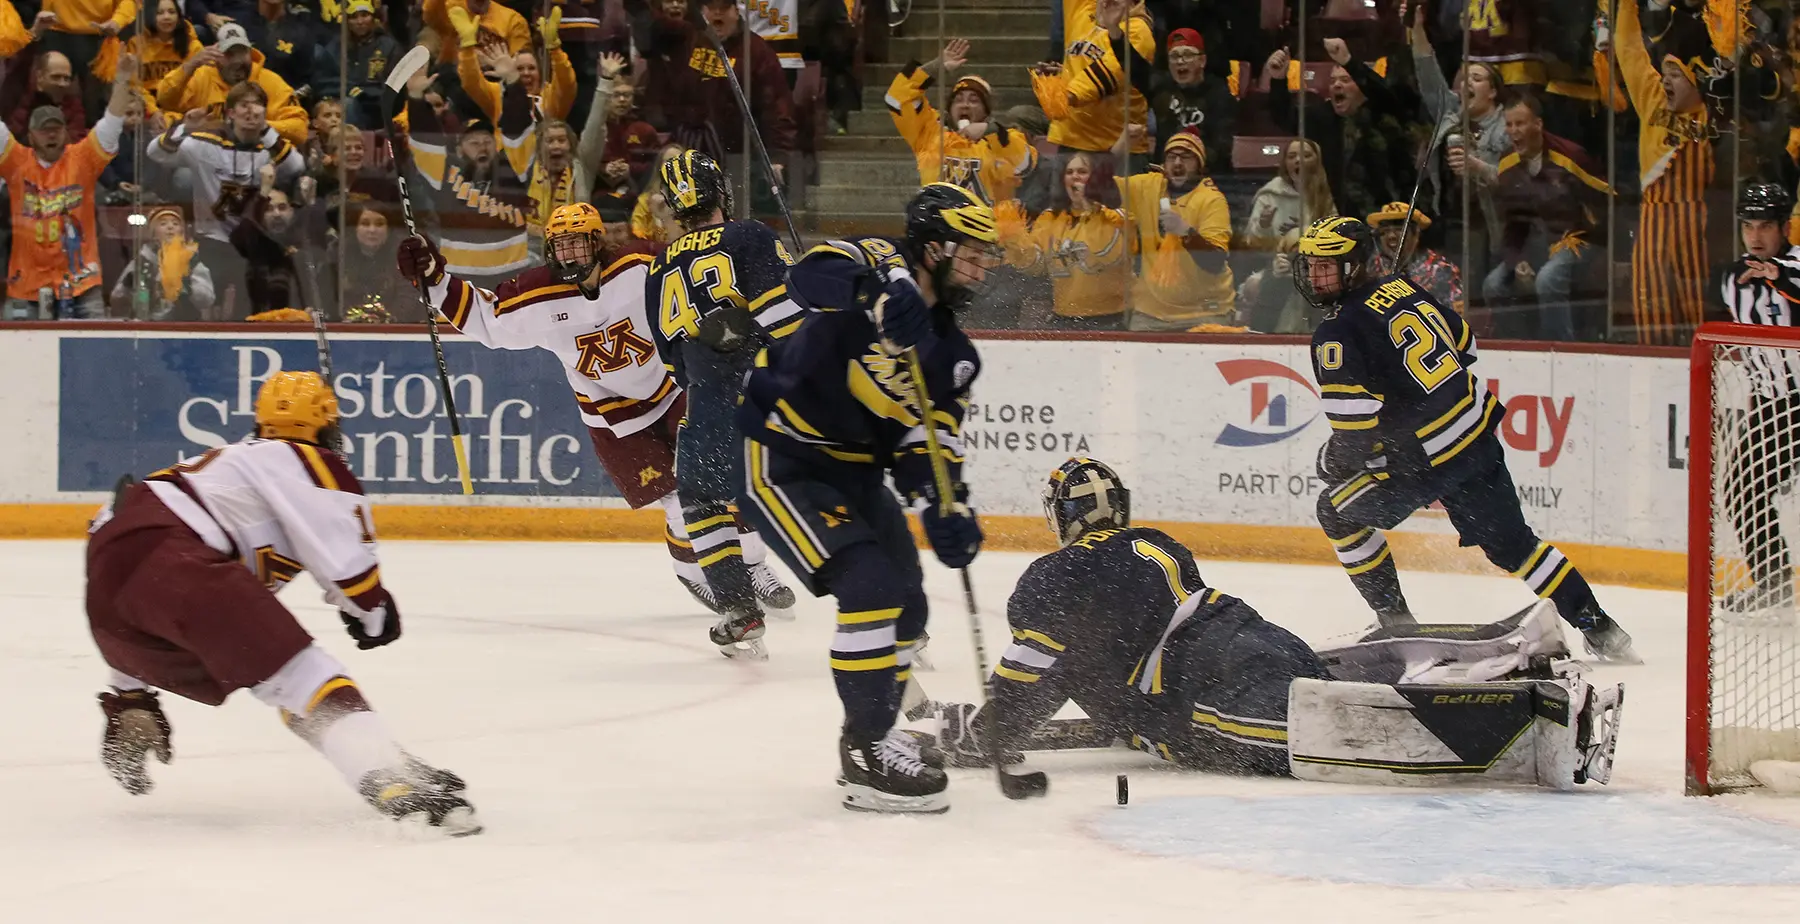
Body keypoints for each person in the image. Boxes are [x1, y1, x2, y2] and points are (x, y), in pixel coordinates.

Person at [926, 458, 1623, 790]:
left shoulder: (1052, 575)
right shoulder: (1158, 542)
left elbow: (1035, 670)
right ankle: (1509, 650)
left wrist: (995, 730)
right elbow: (1096, 673)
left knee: (1339, 724)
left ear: (1063, 520)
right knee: (1322, 678)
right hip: (1249, 632)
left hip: (1205, 691)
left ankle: (1532, 713)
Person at [85, 370, 481, 835]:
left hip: (107, 592)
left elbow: (127, 556)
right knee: (304, 675)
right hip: (178, 563)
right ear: (327, 426)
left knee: (280, 675)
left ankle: (371, 748)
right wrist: (375, 615)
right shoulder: (311, 462)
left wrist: (130, 690)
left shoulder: (228, 462)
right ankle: (382, 770)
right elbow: (352, 578)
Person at [737, 182, 996, 813]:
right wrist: (874, 294)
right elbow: (808, 278)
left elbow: (928, 441)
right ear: (934, 247)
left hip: (856, 474)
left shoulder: (955, 354)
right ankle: (866, 749)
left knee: (909, 608)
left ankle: (879, 729)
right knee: (870, 587)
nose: (983, 265)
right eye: (971, 250)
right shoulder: (879, 258)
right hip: (786, 458)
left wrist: (946, 507)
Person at [396, 201, 794, 610]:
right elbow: (486, 317)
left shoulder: (641, 269)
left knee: (721, 476)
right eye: (560, 246)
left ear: (597, 242)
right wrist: (433, 276)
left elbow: (692, 281)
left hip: (673, 388)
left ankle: (754, 564)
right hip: (612, 414)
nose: (568, 255)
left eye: (576, 244)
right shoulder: (537, 294)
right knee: (676, 500)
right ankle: (697, 574)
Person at [1291, 216, 1638, 661]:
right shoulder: (1406, 288)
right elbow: (1466, 344)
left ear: (1354, 266)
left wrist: (1329, 462)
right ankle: (1603, 630)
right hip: (1474, 439)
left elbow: (1355, 439)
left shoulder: (1335, 333)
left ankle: (1396, 623)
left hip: (1420, 458)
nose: (1315, 277)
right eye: (1312, 265)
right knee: (1516, 548)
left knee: (1334, 510)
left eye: (1327, 266)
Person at [646, 151, 805, 656]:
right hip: (778, 395)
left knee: (703, 502)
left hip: (710, 405)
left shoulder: (657, 269)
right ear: (721, 192)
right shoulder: (749, 236)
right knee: (823, 496)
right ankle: (889, 611)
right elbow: (787, 322)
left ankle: (739, 610)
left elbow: (675, 365)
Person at [1712, 182, 1800, 622]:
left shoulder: (1797, 265)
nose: (1757, 235)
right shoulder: (1733, 277)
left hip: (1799, 401)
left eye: (1766, 225)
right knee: (1741, 491)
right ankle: (1775, 583)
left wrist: (1779, 277)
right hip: (1769, 405)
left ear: (1785, 227)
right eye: (1750, 226)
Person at [144, 79, 306, 309]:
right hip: (213, 240)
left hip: (254, 242)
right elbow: (155, 153)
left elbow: (296, 166)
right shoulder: (205, 144)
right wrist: (184, 128)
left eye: (257, 105)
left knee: (251, 307)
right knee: (207, 304)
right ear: (230, 112)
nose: (251, 111)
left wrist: (266, 130)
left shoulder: (270, 147)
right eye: (244, 105)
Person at [1611, 0, 1717, 346]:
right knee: (1649, 301)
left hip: (1698, 220)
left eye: (1676, 75)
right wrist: (1626, 5)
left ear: (1696, 80)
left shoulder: (1714, 116)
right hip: (1652, 216)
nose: (1666, 81)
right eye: (1665, 73)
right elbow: (1628, 50)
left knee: (1697, 306)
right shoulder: (1654, 101)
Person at [0, 55, 135, 319]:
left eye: (56, 129)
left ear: (65, 131)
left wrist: (122, 79)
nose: (51, 135)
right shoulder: (15, 161)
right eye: (44, 130)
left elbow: (113, 120)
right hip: (25, 288)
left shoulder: (83, 159)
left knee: (91, 357)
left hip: (81, 286)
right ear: (31, 136)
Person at [397, 57, 534, 292]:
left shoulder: (514, 170)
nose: (482, 146)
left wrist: (513, 83)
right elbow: (427, 143)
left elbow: (517, 128)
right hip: (460, 278)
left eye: (487, 141)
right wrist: (417, 100)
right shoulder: (443, 175)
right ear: (459, 149)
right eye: (474, 142)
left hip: (513, 276)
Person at [645, 0, 795, 211]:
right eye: (710, 7)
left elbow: (777, 106)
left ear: (736, 11)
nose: (717, 13)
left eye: (723, 8)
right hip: (686, 146)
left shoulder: (756, 51)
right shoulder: (687, 38)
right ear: (702, 10)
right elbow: (651, 26)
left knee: (728, 216)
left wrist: (778, 155)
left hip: (734, 156)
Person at [1483, 92, 1610, 341]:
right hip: (1536, 244)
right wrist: (1515, 259)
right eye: (1509, 124)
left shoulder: (1571, 156)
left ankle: (1562, 349)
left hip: (1577, 240)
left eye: (1519, 123)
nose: (1513, 131)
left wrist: (1604, 245)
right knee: (1492, 284)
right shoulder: (1507, 163)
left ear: (1538, 124)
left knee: (1547, 279)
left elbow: (1605, 200)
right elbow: (1513, 221)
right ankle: (1520, 347)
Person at [887, 38, 1038, 205]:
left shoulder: (1002, 137)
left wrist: (989, 130)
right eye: (958, 99)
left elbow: (1026, 165)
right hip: (937, 224)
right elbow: (896, 98)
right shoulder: (929, 132)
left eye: (974, 100)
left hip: (986, 228)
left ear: (986, 111)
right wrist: (935, 67)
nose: (965, 104)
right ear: (949, 108)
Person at [1112, 126, 1233, 329]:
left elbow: (1215, 261)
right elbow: (1096, 187)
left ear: (1200, 166)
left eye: (1186, 157)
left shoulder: (1212, 200)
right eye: (1171, 157)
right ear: (1163, 163)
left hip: (1204, 312)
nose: (1177, 163)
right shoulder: (1149, 186)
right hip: (1151, 313)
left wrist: (1186, 232)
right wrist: (1122, 144)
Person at [1005, 151, 1131, 328]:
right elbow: (1035, 266)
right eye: (1069, 172)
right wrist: (1013, 236)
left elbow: (1105, 256)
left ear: (1095, 179)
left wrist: (1088, 206)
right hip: (1063, 318)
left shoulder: (1116, 218)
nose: (1075, 177)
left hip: (1110, 319)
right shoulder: (1050, 219)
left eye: (1082, 171)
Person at [1031, 0, 1155, 167]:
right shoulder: (1083, 13)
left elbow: (1114, 69)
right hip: (1071, 141)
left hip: (1117, 147)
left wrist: (1067, 95)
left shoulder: (1138, 30)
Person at [155, 23, 309, 146]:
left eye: (242, 52)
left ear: (251, 52)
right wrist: (190, 65)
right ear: (215, 55)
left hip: (258, 158)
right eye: (229, 54)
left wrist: (258, 125)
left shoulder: (271, 82)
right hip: (209, 157)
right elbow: (165, 100)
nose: (237, 61)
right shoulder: (202, 76)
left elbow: (299, 129)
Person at [1147, 28, 1234, 168]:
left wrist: (1188, 166)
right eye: (1174, 56)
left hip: (1209, 177)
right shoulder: (1161, 89)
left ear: (1202, 60)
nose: (1180, 61)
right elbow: (1134, 69)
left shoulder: (1219, 94)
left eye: (1187, 55)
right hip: (1167, 173)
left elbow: (1221, 146)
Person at [110, 205, 216, 320]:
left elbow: (207, 300)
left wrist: (189, 287)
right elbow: (117, 298)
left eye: (175, 224)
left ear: (181, 233)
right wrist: (127, 285)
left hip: (184, 327)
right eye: (163, 224)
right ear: (153, 234)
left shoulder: (191, 262)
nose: (170, 227)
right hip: (148, 325)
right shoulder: (141, 262)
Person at [312, 0, 401, 130]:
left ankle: (349, 145)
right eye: (354, 17)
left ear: (374, 18)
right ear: (347, 21)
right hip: (341, 99)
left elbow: (393, 88)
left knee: (349, 104)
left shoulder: (389, 46)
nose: (360, 22)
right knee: (328, 107)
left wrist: (364, 94)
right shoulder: (337, 45)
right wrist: (350, 89)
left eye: (364, 15)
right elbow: (324, 80)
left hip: (374, 107)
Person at [1240, 138, 1334, 253]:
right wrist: (1263, 225)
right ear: (1285, 163)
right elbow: (1251, 243)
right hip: (1273, 265)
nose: (1298, 160)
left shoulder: (1324, 195)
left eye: (1306, 156)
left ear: (1317, 162)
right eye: (1291, 156)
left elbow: (1334, 239)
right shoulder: (1269, 195)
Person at [1368, 202, 1462, 312]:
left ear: (1416, 234)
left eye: (1399, 230)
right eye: (1385, 231)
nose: (1391, 236)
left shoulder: (1441, 270)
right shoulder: (1372, 267)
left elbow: (1456, 319)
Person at [336, 204, 419, 322]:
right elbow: (333, 300)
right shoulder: (338, 256)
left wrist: (387, 319)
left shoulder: (404, 257)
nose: (372, 230)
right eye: (365, 223)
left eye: (379, 224)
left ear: (389, 228)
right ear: (355, 228)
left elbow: (408, 297)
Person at [2, 44, 87, 143]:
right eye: (56, 77)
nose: (62, 84)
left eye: (66, 78)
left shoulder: (73, 105)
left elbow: (76, 140)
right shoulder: (22, 97)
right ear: (40, 76)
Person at [421, 0, 530, 66]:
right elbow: (429, 13)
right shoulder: (450, 7)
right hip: (454, 80)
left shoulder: (514, 21)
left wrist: (492, 63)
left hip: (495, 84)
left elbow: (522, 64)